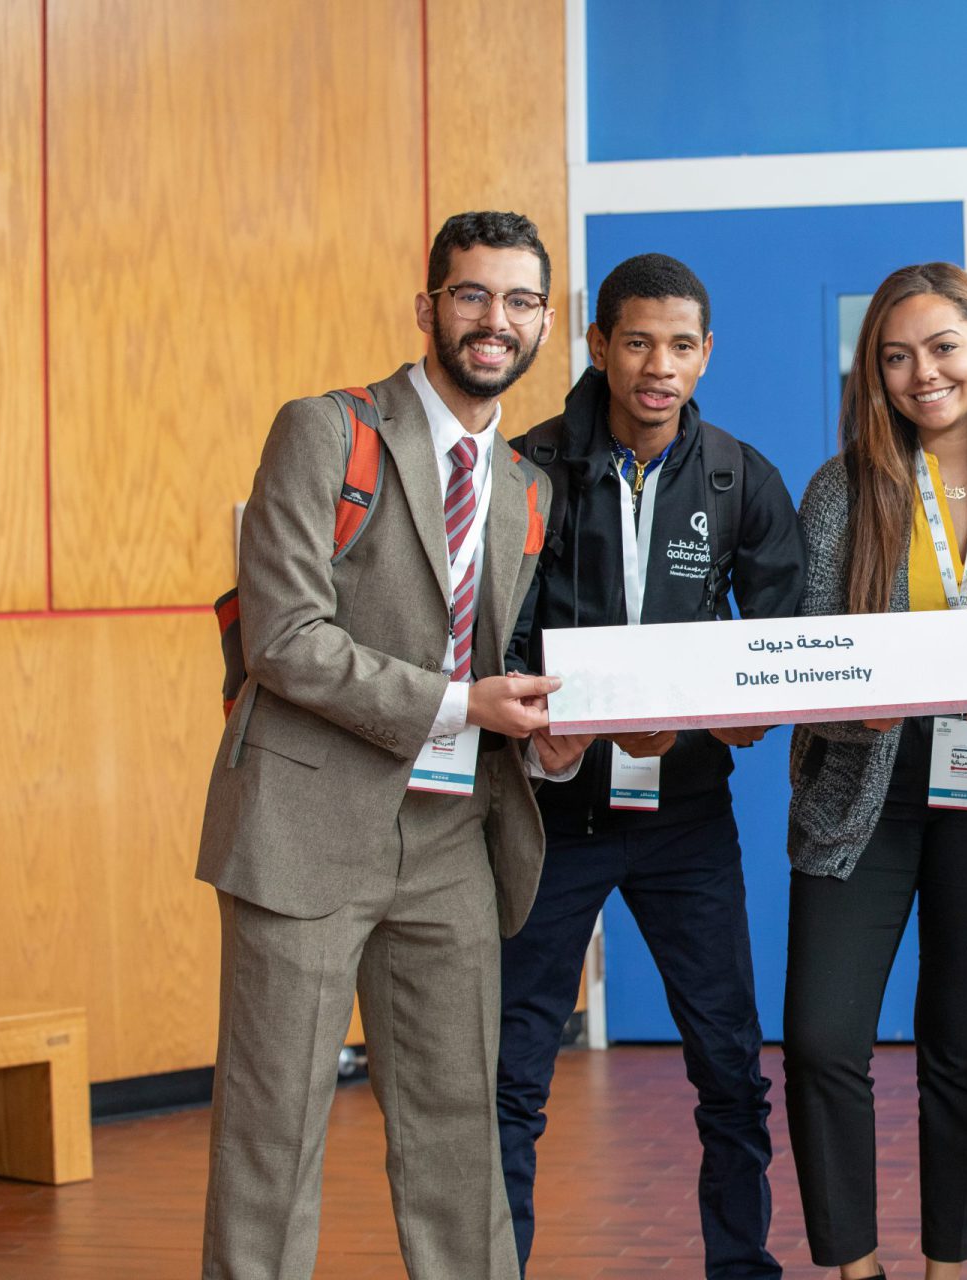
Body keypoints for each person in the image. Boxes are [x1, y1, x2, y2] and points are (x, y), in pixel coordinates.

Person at [196, 210, 562, 1279]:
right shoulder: (324, 430)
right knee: (272, 1133)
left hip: (451, 837)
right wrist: (460, 704)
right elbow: (284, 638)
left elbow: (499, 661)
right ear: (427, 307)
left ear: (544, 322)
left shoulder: (526, 487)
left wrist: (551, 737)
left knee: (458, 1138)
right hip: (305, 825)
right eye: (472, 294)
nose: (495, 320)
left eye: (520, 300)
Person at [496, 253, 803, 1280]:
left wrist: (719, 723)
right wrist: (533, 730)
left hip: (685, 821)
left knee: (731, 1066)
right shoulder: (528, 469)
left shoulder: (740, 478)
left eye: (679, 346)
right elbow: (495, 636)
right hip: (554, 816)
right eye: (636, 342)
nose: (657, 366)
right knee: (511, 1074)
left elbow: (779, 648)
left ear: (706, 353)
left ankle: (742, 1267)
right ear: (598, 345)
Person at [784, 262, 967, 1280]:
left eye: (944, 347)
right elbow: (808, 644)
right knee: (822, 1038)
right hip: (860, 793)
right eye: (896, 356)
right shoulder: (843, 486)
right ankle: (854, 1267)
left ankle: (949, 1263)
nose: (924, 374)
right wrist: (843, 702)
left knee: (960, 1043)